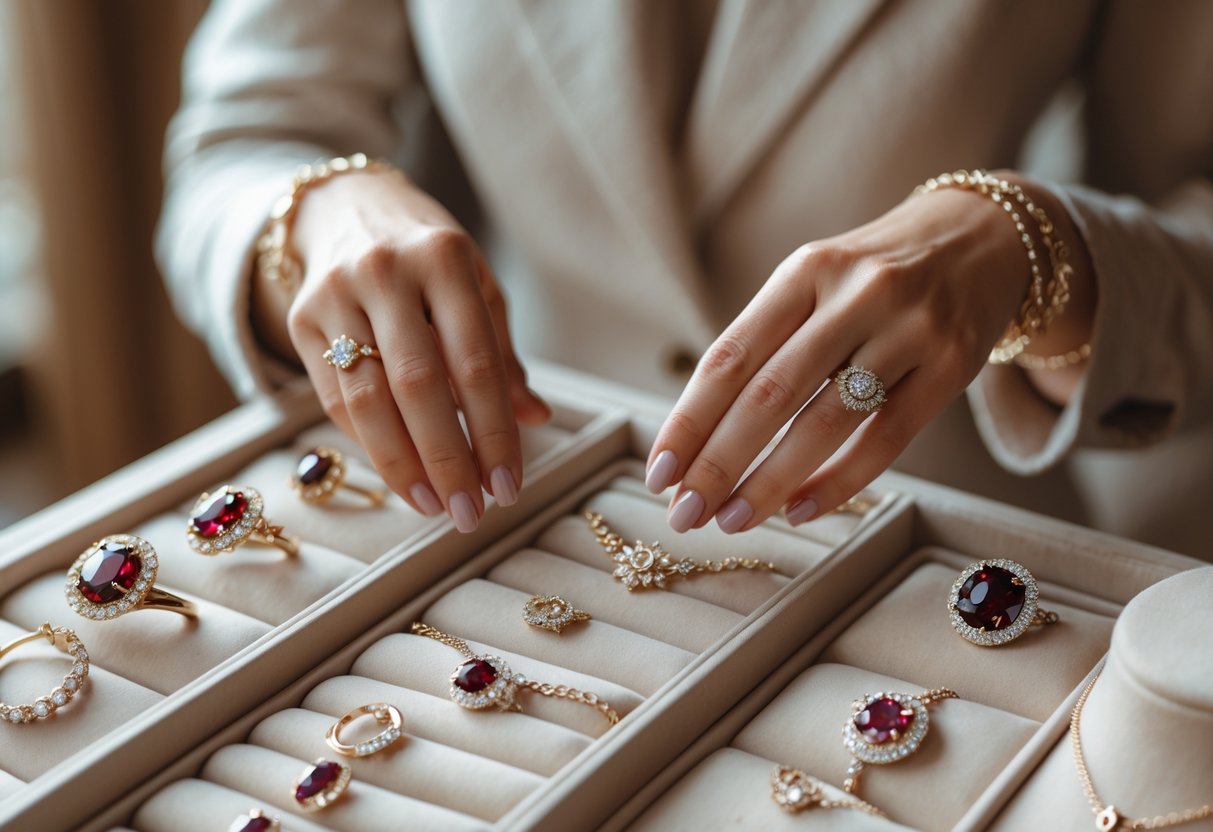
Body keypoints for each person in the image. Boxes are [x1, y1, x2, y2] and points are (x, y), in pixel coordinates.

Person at [158, 0, 1213, 557]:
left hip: (933, 544)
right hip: (499, 510)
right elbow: (246, 138)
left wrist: (1035, 249)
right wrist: (320, 213)